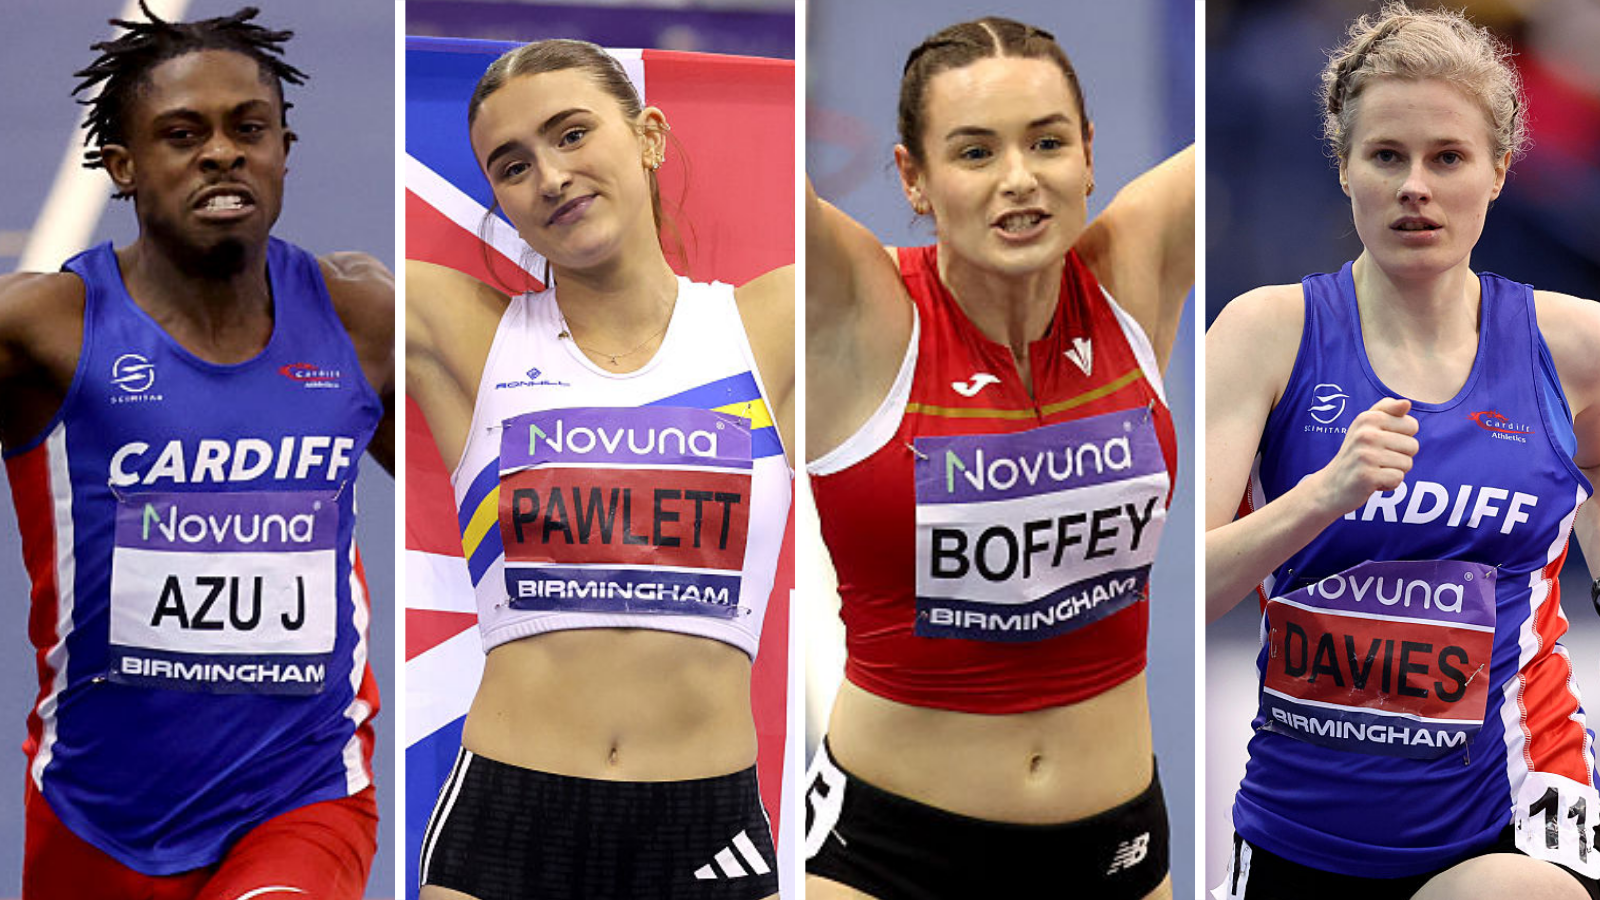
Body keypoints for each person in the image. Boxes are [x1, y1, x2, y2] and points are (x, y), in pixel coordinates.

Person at [0, 3, 395, 899]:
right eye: (183, 135)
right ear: (122, 167)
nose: (222, 153)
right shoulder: (46, 332)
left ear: (283, 150)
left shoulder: (360, 319)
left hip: (303, 794)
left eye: (247, 129)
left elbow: (464, 488)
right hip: (96, 811)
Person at [1206, 3, 1600, 898]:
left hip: (1509, 808)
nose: (1414, 186)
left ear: (1499, 172)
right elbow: (1176, 597)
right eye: (1386, 156)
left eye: (1447, 158)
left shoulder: (1574, 344)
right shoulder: (1270, 332)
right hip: (1302, 825)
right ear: (1344, 169)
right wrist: (1323, 495)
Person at [802, 16, 1193, 899]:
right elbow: (730, 168)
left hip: (1115, 850)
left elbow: (1349, 92)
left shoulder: (1133, 272)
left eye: (1047, 142)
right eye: (975, 153)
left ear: (1089, 154)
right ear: (915, 178)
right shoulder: (859, 313)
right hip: (887, 857)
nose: (1020, 180)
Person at [407, 38, 793, 900]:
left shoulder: (773, 329)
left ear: (649, 135)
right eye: (512, 166)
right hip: (508, 825)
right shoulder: (461, 330)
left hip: (708, 829)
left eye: (572, 134)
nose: (548, 177)